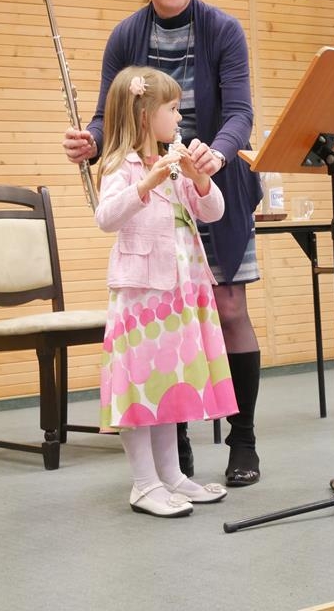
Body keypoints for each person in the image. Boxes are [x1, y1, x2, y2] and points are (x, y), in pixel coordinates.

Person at [63, 0, 263, 487]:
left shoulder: (223, 29)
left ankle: (243, 439)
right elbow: (107, 116)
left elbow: (241, 113)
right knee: (166, 317)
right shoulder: (126, 35)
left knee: (229, 309)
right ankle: (174, 447)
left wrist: (214, 156)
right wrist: (91, 141)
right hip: (155, 188)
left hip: (212, 178)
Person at [95, 65, 237, 517]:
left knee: (168, 381)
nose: (179, 117)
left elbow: (213, 211)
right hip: (141, 294)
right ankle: (143, 484)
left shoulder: (174, 163)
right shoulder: (120, 165)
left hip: (181, 289)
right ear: (144, 114)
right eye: (173, 109)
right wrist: (146, 182)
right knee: (139, 386)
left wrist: (198, 178)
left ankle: (172, 476)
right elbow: (106, 218)